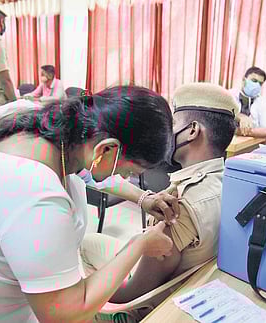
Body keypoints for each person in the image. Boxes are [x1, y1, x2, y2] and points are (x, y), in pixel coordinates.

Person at [0, 86, 181, 323]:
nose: (127, 178)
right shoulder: (33, 194)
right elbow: (64, 313)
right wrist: (139, 245)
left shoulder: (48, 126)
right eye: (129, 170)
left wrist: (143, 198)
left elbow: (90, 172)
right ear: (107, 149)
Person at [80, 83, 238, 312]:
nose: (166, 132)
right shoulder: (228, 180)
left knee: (83, 247)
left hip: (147, 304)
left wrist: (83, 284)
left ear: (192, 131)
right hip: (188, 286)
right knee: (90, 242)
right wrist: (143, 199)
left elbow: (129, 294)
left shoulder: (178, 204)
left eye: (173, 123)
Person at [231, 66, 266, 137]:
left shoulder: (263, 103)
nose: (257, 85)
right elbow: (222, 114)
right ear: (243, 80)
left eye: (260, 83)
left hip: (251, 142)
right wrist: (241, 116)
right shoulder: (229, 95)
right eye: (254, 81)